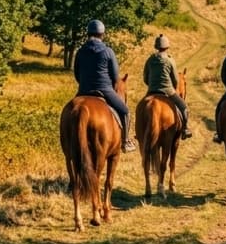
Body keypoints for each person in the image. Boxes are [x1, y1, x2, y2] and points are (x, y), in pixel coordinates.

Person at [74, 19, 135, 152]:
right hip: (105, 90)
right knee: (125, 111)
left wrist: (85, 85)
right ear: (102, 34)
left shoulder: (80, 51)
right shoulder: (108, 51)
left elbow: (77, 74)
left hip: (83, 90)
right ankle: (125, 142)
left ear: (88, 33)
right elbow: (115, 77)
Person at [143, 33, 193, 140]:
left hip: (151, 91)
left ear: (156, 47)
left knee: (141, 107)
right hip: (168, 91)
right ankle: (185, 128)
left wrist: (152, 86)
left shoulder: (150, 60)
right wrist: (173, 88)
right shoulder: (170, 60)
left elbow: (145, 78)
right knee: (184, 107)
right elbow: (175, 79)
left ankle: (140, 132)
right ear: (167, 47)